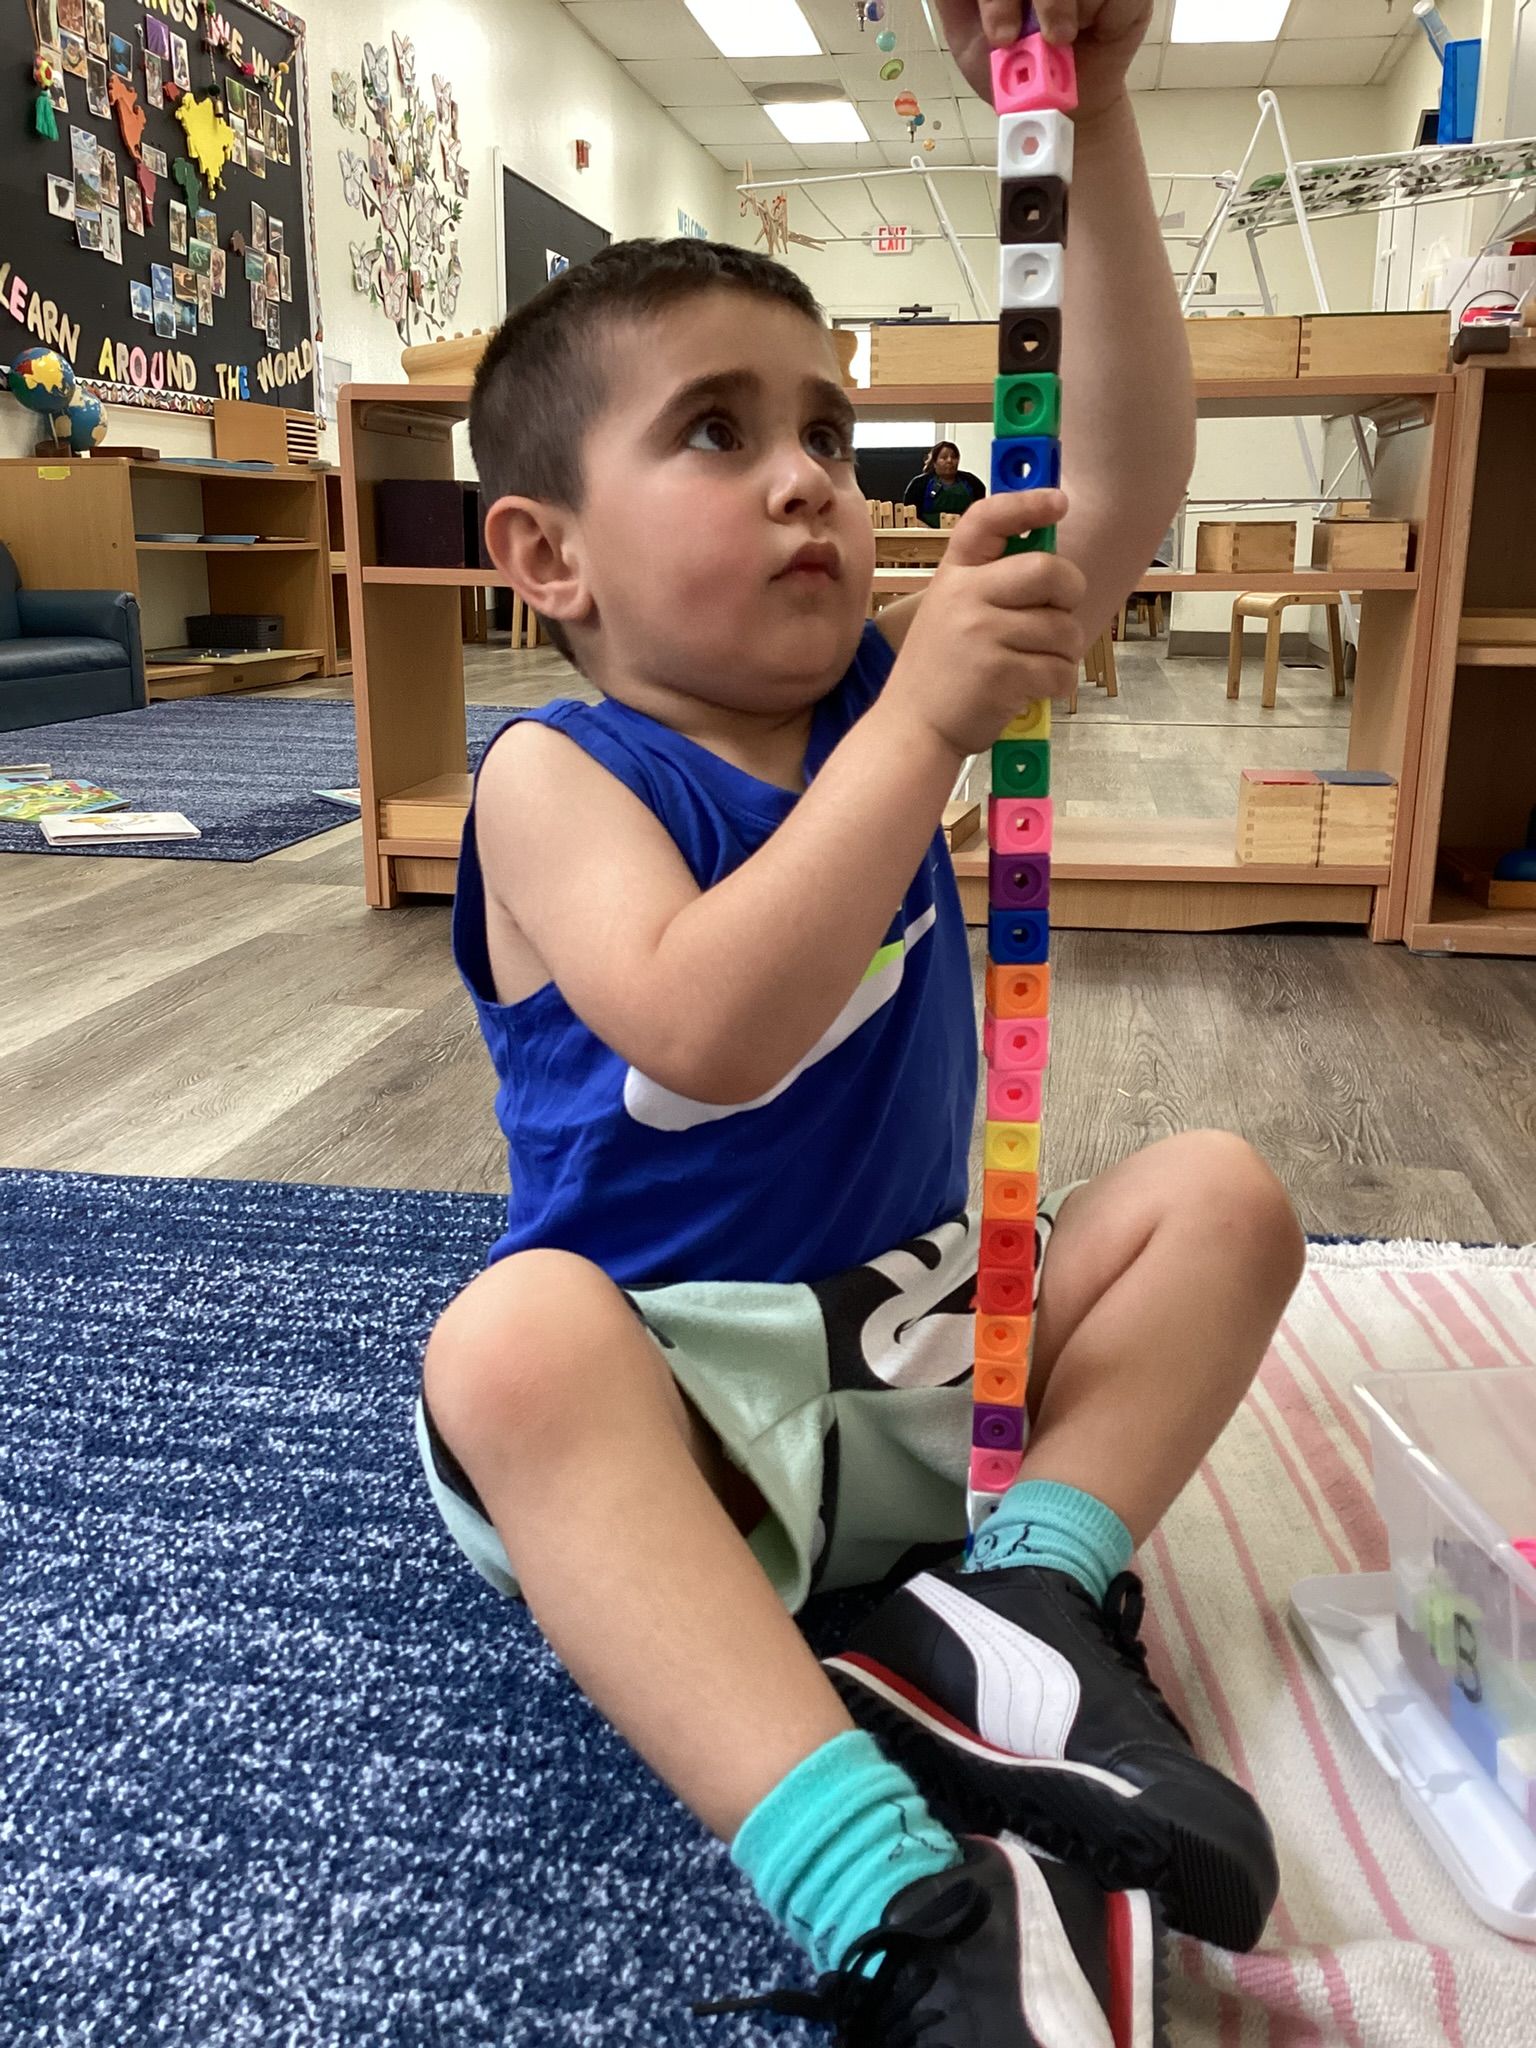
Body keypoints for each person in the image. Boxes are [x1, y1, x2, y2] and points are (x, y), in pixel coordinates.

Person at [417, 3, 1303, 2040]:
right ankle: (884, 1880)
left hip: (926, 1358)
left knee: (1223, 1198)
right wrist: (922, 731)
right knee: (507, 1340)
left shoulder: (879, 694)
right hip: (685, 1421)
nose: (808, 478)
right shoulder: (559, 774)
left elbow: (1122, 482)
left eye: (825, 429)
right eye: (716, 435)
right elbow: (705, 1025)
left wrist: (1099, 118)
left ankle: (1025, 1595)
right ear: (546, 556)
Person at [904, 439, 987, 526]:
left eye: (954, 457)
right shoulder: (919, 484)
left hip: (965, 530)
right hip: (926, 531)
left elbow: (979, 512)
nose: (949, 461)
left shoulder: (972, 482)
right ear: (934, 462)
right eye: (944, 458)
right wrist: (929, 531)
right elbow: (909, 516)